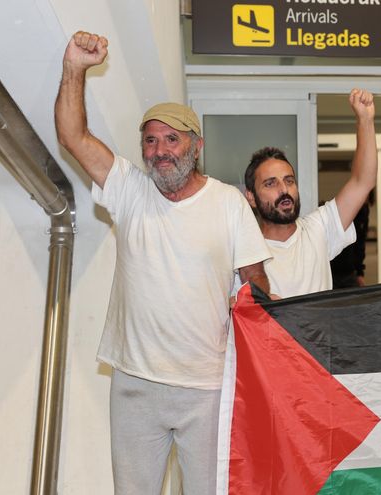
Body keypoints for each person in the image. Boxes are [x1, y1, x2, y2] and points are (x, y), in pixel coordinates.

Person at [55, 31, 272, 494]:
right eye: (150, 141)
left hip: (208, 387)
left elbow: (257, 280)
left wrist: (259, 318)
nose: (159, 151)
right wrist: (74, 66)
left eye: (172, 139)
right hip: (135, 385)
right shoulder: (129, 189)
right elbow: (72, 136)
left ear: (197, 146)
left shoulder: (229, 202)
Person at [243, 89, 377, 298]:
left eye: (289, 181)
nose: (284, 190)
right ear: (251, 197)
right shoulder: (244, 252)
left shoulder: (318, 229)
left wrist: (365, 120)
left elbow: (363, 181)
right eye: (271, 184)